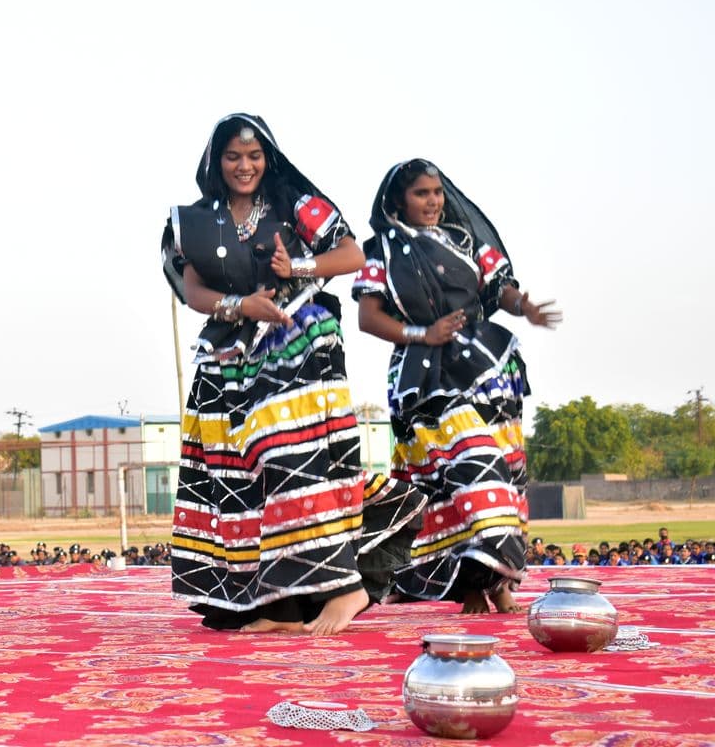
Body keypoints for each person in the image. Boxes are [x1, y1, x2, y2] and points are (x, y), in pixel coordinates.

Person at [162, 114, 425, 635]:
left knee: (294, 461)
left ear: (269, 158)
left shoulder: (294, 202)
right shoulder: (197, 219)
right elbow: (193, 292)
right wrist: (241, 305)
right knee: (237, 474)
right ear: (217, 161)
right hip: (230, 352)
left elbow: (351, 254)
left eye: (254, 156)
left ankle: (346, 587)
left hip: (299, 342)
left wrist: (296, 270)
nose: (245, 166)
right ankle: (280, 601)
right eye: (234, 157)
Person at [354, 159, 561, 615]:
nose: (432, 201)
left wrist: (522, 305)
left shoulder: (466, 242)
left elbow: (500, 288)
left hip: (485, 370)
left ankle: (499, 581)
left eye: (436, 192)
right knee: (466, 474)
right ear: (397, 202)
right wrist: (422, 334)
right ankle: (467, 584)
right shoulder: (381, 252)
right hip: (424, 376)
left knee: (506, 473)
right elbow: (368, 318)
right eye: (421, 194)